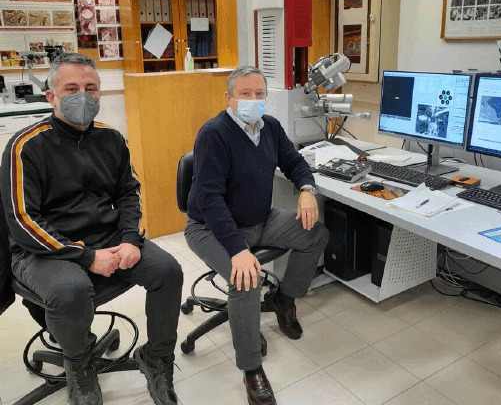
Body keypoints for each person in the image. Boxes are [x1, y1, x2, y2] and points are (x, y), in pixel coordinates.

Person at [0, 53, 183, 405]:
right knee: (71, 289)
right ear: (51, 96)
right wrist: (86, 257)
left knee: (168, 271)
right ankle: (80, 368)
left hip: (107, 237)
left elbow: (129, 193)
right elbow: (23, 221)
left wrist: (130, 239)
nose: (82, 96)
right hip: (43, 247)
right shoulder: (25, 146)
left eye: (90, 88)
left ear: (100, 95)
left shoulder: (111, 139)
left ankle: (158, 358)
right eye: (71, 88)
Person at [185, 66, 329, 405]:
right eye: (245, 94)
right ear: (229, 99)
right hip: (210, 227)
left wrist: (306, 189)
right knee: (247, 278)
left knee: (315, 235)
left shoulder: (271, 128)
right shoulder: (214, 134)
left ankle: (284, 299)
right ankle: (251, 369)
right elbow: (209, 199)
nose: (253, 100)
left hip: (259, 219)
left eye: (259, 94)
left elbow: (294, 162)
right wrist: (237, 250)